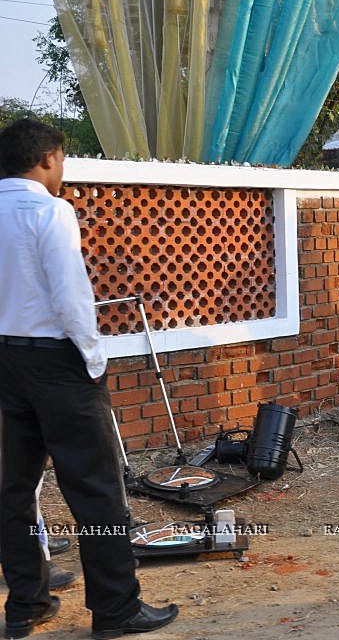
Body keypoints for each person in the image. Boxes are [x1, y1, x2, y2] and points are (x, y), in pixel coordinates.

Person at [0, 118, 178, 639]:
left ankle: (25, 606)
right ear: (49, 158)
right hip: (57, 362)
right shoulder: (50, 211)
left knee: (13, 489)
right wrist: (94, 361)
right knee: (96, 490)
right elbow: (72, 297)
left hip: (4, 361)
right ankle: (116, 609)